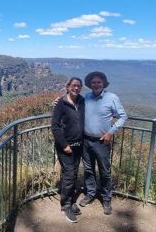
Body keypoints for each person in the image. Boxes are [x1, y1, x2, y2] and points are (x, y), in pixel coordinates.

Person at [78, 71, 127, 215]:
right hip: (86, 140)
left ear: (104, 83)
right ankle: (91, 193)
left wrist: (110, 132)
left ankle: (106, 198)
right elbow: (72, 104)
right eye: (93, 82)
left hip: (101, 141)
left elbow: (123, 117)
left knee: (104, 171)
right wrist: (58, 101)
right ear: (90, 84)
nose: (96, 84)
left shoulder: (112, 98)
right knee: (88, 169)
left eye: (99, 82)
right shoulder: (86, 97)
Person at [51, 77, 85, 223]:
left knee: (73, 173)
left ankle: (70, 201)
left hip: (79, 145)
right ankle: (66, 206)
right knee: (69, 175)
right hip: (66, 146)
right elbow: (55, 126)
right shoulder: (61, 103)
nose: (76, 88)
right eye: (73, 86)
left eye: (78, 86)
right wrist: (64, 145)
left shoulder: (82, 101)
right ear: (68, 86)